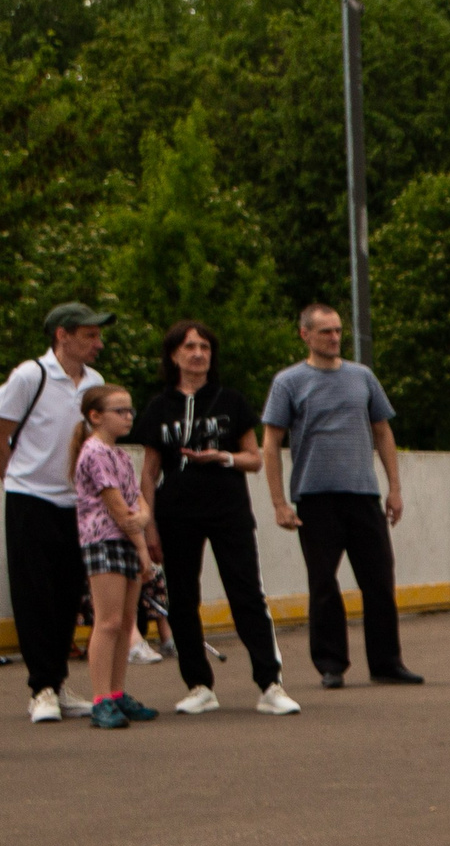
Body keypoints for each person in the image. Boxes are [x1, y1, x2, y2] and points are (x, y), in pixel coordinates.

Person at [135, 321, 295, 716]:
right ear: (174, 355)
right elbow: (149, 473)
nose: (198, 354)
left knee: (246, 594)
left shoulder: (231, 401)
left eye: (205, 347)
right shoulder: (159, 407)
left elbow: (254, 459)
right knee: (183, 598)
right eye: (189, 347)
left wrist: (221, 457)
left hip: (228, 510)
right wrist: (149, 525)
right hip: (176, 513)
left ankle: (270, 684)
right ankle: (199, 685)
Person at [261, 304, 422, 689]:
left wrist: (395, 488)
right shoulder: (289, 382)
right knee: (323, 584)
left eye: (337, 331)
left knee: (379, 580)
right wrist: (279, 503)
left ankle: (387, 663)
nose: (334, 338)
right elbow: (271, 442)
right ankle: (331, 664)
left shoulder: (361, 376)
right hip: (315, 496)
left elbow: (382, 431)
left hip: (363, 493)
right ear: (305, 335)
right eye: (325, 332)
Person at [1, 302, 110, 722]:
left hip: (76, 502)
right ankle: (41, 689)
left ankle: (58, 682)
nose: (98, 344)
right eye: (89, 335)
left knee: (67, 595)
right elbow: (2, 430)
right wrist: (11, 479)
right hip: (30, 498)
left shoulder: (95, 382)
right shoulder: (31, 375)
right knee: (34, 594)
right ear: (62, 335)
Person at [69, 384, 156, 729]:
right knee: (107, 622)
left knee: (125, 622)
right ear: (95, 416)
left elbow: (137, 500)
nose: (128, 416)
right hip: (104, 541)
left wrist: (143, 519)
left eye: (129, 410)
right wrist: (142, 546)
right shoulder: (94, 452)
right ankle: (101, 699)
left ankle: (117, 693)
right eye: (119, 411)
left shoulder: (120, 455)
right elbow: (119, 509)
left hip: (126, 541)